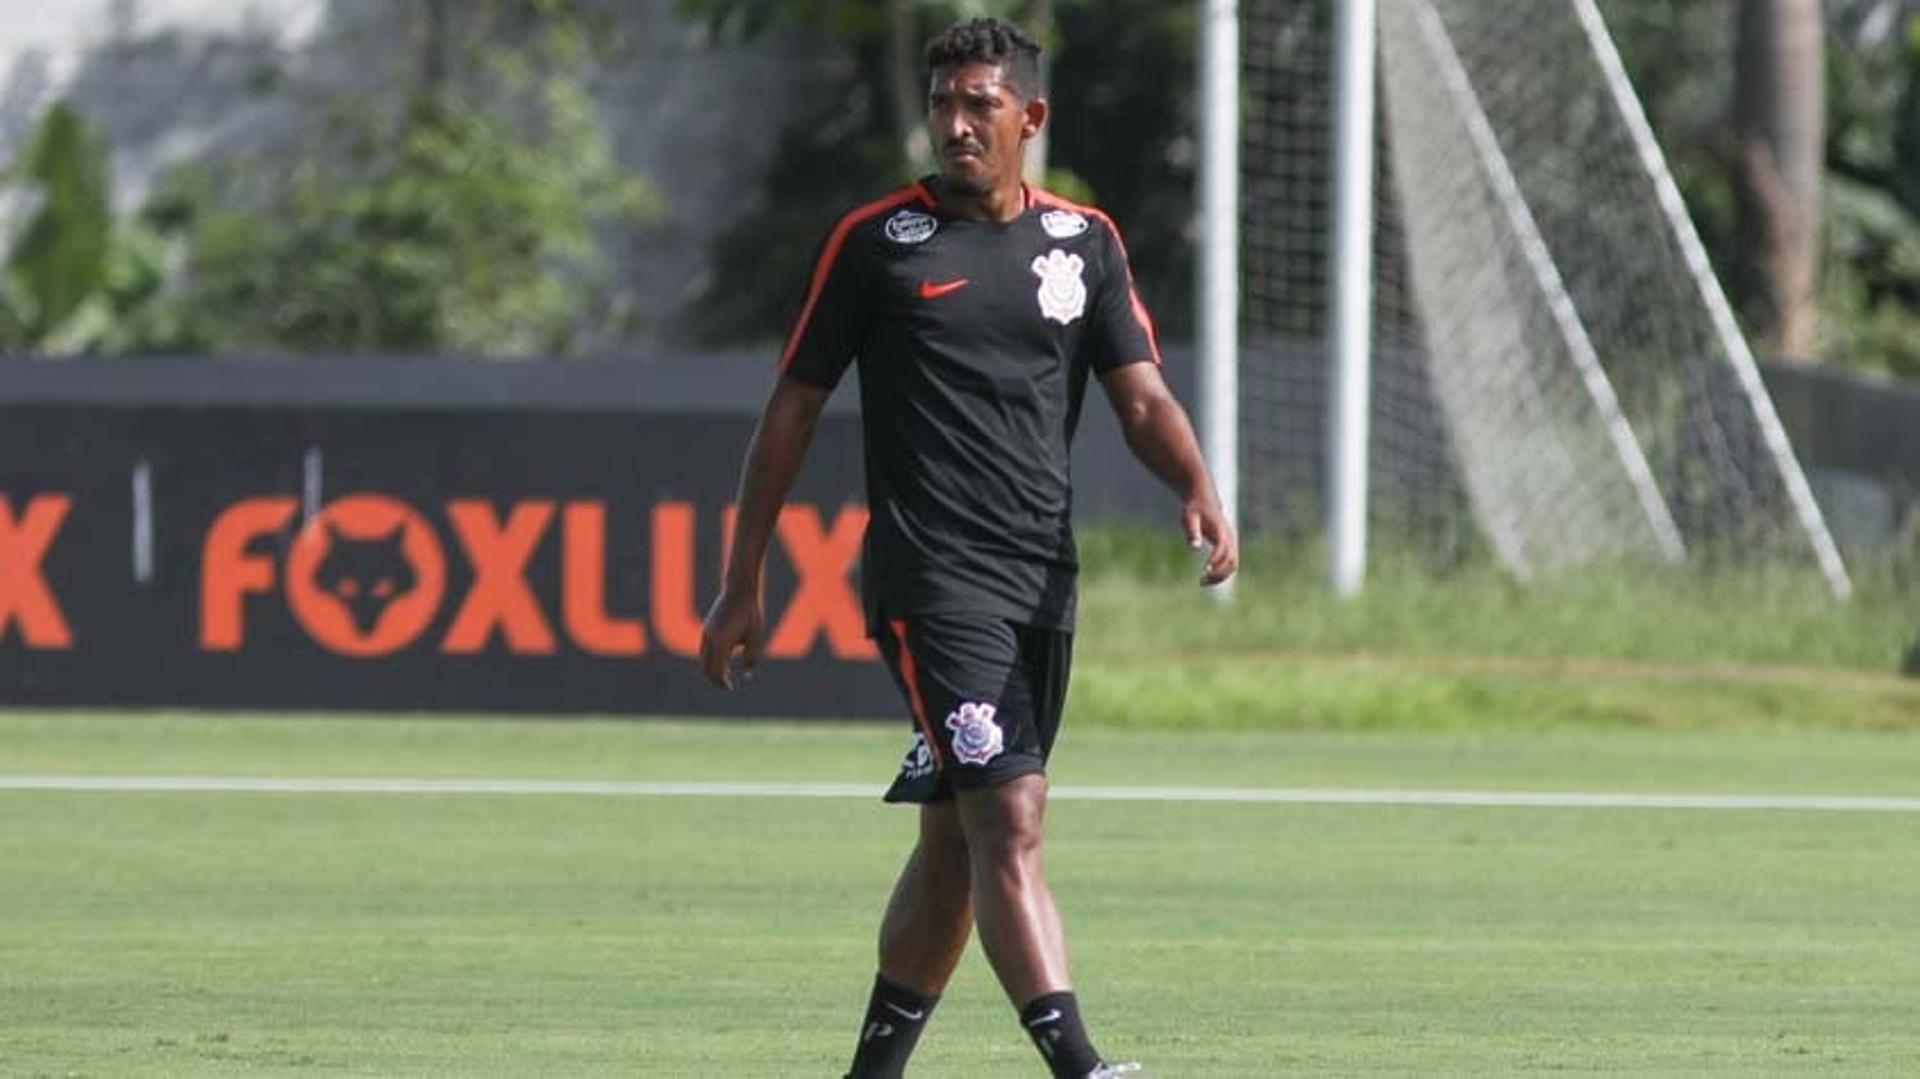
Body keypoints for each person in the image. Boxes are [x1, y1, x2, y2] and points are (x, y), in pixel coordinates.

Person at [699, 16, 1236, 1078]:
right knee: (1010, 814)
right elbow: (792, 411)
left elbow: (1140, 395)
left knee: (952, 843)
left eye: (978, 105)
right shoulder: (874, 244)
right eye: (943, 104)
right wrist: (741, 576)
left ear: (1027, 117)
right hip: (931, 579)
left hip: (1041, 577)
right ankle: (1080, 1063)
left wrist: (1197, 484)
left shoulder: (1084, 244)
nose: (954, 124)